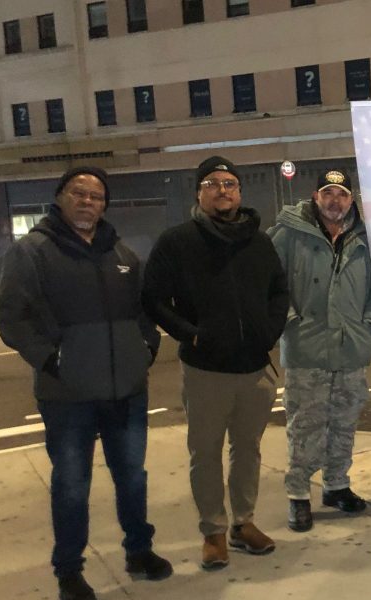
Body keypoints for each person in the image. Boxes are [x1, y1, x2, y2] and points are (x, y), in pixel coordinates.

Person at [0, 167, 172, 600]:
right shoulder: (32, 252)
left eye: (96, 196)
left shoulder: (123, 254)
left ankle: (138, 550)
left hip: (126, 391)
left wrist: (145, 348)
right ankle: (70, 572)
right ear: (60, 198)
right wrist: (53, 360)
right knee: (72, 484)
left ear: (104, 205)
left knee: (132, 477)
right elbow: (12, 318)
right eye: (78, 193)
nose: (87, 201)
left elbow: (144, 313)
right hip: (68, 395)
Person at [143, 156, 288, 570]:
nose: (222, 190)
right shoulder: (178, 241)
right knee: (204, 453)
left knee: (249, 450)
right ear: (199, 193)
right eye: (212, 183)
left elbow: (279, 291)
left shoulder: (259, 242)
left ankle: (243, 524)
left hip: (255, 370)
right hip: (206, 370)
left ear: (240, 192)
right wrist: (192, 334)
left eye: (229, 183)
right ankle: (213, 531)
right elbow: (153, 298)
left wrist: (269, 332)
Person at [268, 169, 371, 531]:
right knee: (306, 426)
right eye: (328, 193)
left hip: (351, 347)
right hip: (307, 348)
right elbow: (267, 282)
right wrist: (290, 320)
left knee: (344, 421)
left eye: (342, 194)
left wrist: (370, 325)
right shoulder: (288, 235)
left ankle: (336, 484)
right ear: (315, 196)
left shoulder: (364, 237)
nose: (336, 201)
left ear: (351, 199)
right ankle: (298, 494)